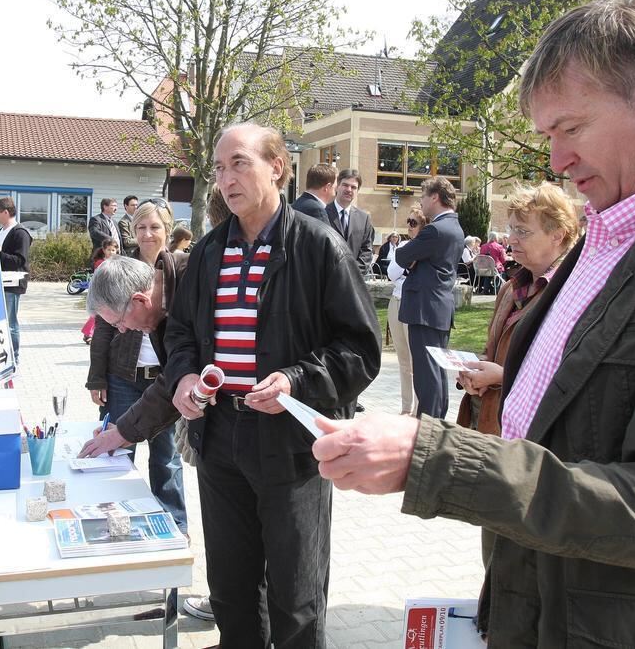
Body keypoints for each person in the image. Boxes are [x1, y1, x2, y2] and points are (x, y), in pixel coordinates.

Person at [312, 0, 635, 647]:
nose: (556, 160)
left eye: (571, 129)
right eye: (546, 135)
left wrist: (434, 459)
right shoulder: (613, 228)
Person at [165, 123, 380, 648]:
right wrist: (185, 377)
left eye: (239, 163)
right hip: (219, 441)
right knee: (232, 593)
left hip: (290, 446)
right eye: (218, 168)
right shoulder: (209, 252)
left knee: (296, 599)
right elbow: (180, 335)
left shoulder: (320, 247)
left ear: (277, 167)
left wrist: (295, 379)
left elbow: (361, 350)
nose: (225, 179)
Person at [455, 183, 579, 569]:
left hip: (536, 450)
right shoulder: (512, 288)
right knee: (492, 548)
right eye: (510, 229)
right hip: (492, 433)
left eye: (523, 231)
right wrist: (476, 374)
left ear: (557, 234)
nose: (511, 240)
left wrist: (501, 375)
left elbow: (568, 374)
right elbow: (498, 353)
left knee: (521, 558)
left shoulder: (570, 292)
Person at [84, 200, 187, 532]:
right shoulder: (119, 269)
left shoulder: (181, 285)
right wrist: (97, 377)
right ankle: (115, 523)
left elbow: (177, 371)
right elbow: (103, 328)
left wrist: (125, 430)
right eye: (140, 227)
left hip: (165, 381)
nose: (146, 234)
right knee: (117, 451)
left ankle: (174, 527)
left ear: (167, 231)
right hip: (126, 377)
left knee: (166, 459)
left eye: (154, 227)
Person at [394, 176, 463, 419]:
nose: (421, 202)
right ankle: (437, 421)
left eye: (423, 196)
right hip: (438, 309)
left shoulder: (435, 230)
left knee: (426, 373)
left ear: (435, 197)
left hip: (425, 309)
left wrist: (411, 256)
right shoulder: (454, 227)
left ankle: (428, 424)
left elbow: (402, 256)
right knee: (436, 371)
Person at [386, 211, 426, 415]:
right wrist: (407, 264)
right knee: (403, 359)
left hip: (414, 304)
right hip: (397, 301)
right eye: (408, 221)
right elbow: (392, 274)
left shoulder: (426, 248)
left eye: (414, 222)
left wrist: (406, 265)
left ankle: (419, 408)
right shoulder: (402, 246)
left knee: (415, 358)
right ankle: (405, 407)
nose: (409, 226)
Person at [0, 197, 33, 364]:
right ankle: (3, 355)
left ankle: (14, 359)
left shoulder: (20, 233)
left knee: (10, 322)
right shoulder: (0, 231)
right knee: (1, 322)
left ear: (6, 212)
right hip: (0, 283)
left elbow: (19, 260)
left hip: (12, 284)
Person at [326, 169, 375, 275]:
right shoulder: (323, 213)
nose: (349, 190)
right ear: (337, 186)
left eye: (353, 187)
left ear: (357, 191)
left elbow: (367, 250)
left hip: (353, 282)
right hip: (327, 279)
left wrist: (352, 273)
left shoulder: (364, 218)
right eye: (345, 185)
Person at [81, 238, 120, 343]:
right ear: (104, 250)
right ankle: (88, 333)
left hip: (111, 291)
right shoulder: (100, 262)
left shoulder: (116, 262)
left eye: (113, 250)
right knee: (98, 312)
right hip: (100, 291)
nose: (111, 252)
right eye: (109, 250)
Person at [88, 198, 121, 262]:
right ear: (105, 207)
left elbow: (119, 240)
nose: (116, 208)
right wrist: (111, 240)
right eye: (113, 206)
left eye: (116, 206)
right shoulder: (96, 219)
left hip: (117, 258)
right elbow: (94, 232)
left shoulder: (114, 222)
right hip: (102, 258)